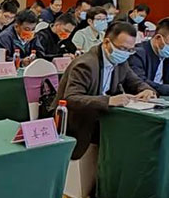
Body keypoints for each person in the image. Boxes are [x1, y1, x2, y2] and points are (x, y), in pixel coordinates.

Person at [51, 22, 156, 159]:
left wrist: (147, 90)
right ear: (106, 42)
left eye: (130, 50)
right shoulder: (86, 64)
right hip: (76, 121)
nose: (125, 53)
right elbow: (71, 98)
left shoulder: (121, 62)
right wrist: (109, 101)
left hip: (101, 117)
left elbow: (135, 82)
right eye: (122, 48)